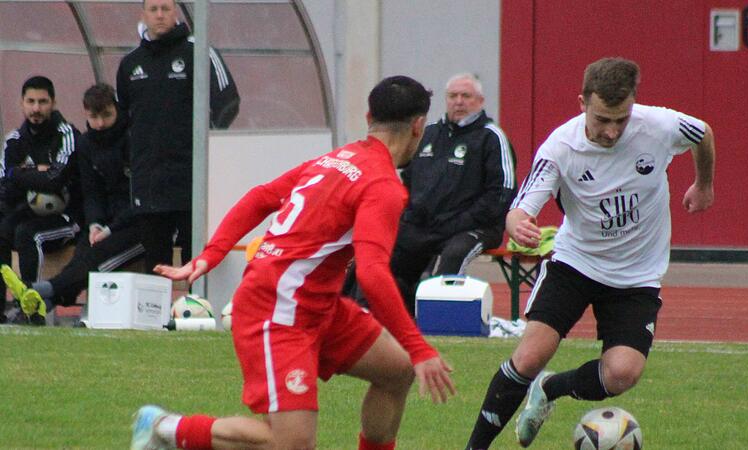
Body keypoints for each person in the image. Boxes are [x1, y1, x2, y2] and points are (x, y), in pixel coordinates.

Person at [130, 75, 455, 450]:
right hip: (277, 311)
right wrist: (420, 348)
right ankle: (166, 426)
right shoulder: (382, 186)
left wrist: (210, 254)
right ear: (419, 127)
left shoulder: (336, 159)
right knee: (292, 444)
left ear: (369, 116)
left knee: (396, 372)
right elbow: (372, 272)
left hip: (318, 306)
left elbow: (260, 197)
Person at [464, 57, 716, 449]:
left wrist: (703, 184)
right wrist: (518, 224)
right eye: (602, 119)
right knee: (529, 357)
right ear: (582, 102)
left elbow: (703, 134)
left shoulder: (660, 126)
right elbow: (520, 209)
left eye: (621, 119)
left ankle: (550, 388)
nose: (612, 131)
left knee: (622, 375)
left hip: (636, 275)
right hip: (576, 264)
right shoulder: (561, 148)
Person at [347, 73, 516, 315]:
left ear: (480, 101)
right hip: (424, 224)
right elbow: (408, 180)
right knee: (383, 249)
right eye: (453, 96)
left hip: (473, 227)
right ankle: (364, 314)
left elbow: (502, 192)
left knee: (453, 255)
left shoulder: (491, 137)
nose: (459, 101)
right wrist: (408, 214)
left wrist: (460, 221)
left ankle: (441, 323)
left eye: (466, 96)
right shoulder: (430, 133)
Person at [1, 83, 145, 322]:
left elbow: (139, 197)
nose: (100, 123)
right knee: (82, 259)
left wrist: (110, 228)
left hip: (137, 225)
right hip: (103, 225)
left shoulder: (134, 139)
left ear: (117, 110)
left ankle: (37, 292)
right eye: (94, 117)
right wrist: (96, 223)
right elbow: (92, 192)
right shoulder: (87, 143)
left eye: (106, 115)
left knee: (93, 265)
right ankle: (41, 302)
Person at [116, 0, 240, 273]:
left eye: (166, 8)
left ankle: (193, 314)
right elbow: (121, 120)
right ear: (144, 15)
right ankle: (158, 317)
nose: (160, 15)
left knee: (193, 258)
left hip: (190, 181)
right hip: (149, 182)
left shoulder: (199, 52)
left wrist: (207, 150)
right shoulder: (130, 64)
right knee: (155, 262)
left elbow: (228, 103)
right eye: (153, 9)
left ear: (176, 13)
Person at [0, 76, 82, 325]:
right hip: (30, 212)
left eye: (43, 101)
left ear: (53, 102)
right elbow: (5, 182)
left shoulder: (67, 134)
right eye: (31, 101)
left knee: (28, 234)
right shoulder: (14, 140)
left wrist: (22, 173)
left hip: (68, 218)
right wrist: (33, 173)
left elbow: (56, 180)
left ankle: (31, 308)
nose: (36, 108)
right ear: (22, 104)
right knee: (3, 230)